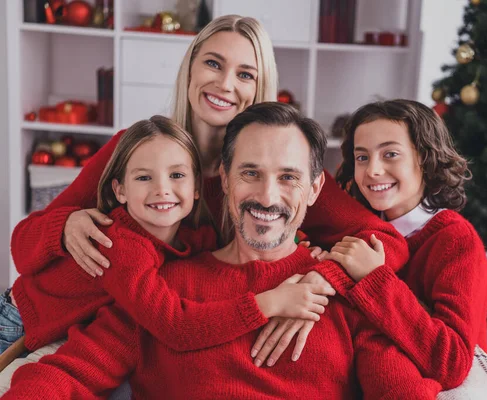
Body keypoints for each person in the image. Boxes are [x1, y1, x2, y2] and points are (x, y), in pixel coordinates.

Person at [9, 14, 409, 359]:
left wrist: (326, 278)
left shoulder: (273, 177)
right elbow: (23, 246)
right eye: (213, 64)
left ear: (259, 87)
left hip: (125, 332)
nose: (224, 84)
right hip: (25, 319)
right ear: (191, 69)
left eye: (245, 74)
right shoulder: (135, 146)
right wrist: (63, 227)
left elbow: (388, 242)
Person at [3, 102, 441, 400]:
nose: (267, 196)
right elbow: (64, 374)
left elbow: (401, 389)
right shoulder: (163, 286)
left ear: (314, 189)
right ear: (224, 179)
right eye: (251, 172)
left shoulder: (345, 290)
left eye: (288, 177)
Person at [2, 115, 334, 356]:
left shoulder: (196, 239)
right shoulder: (122, 246)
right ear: (120, 190)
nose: (162, 190)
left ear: (197, 189)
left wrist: (303, 249)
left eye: (176, 175)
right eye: (144, 178)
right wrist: (268, 303)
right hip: (19, 322)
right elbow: (175, 326)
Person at [324, 99, 487, 390]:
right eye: (362, 157)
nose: (373, 170)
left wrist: (375, 280)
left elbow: (452, 362)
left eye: (390, 154)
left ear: (425, 159)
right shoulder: (359, 225)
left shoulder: (456, 241)